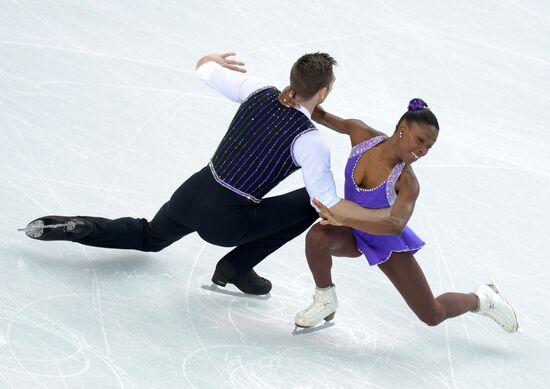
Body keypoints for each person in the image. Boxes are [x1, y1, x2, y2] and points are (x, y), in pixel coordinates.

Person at [22, 51, 387, 296]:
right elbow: (325, 203)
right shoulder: (310, 141)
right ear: (322, 92)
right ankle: (235, 266)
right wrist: (378, 216)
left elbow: (204, 68)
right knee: (310, 208)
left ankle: (81, 226)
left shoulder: (258, 90)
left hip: (193, 191)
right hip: (227, 220)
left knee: (149, 235)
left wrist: (212, 58)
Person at [278, 91, 519, 332]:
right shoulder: (361, 135)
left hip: (385, 242)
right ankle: (325, 300)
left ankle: (482, 298)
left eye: (429, 147)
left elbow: (395, 224)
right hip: (350, 232)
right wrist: (295, 97)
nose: (423, 150)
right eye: (421, 140)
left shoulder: (407, 182)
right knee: (317, 237)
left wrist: (344, 217)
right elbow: (319, 114)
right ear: (403, 127)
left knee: (432, 315)